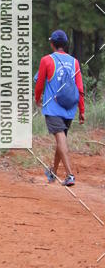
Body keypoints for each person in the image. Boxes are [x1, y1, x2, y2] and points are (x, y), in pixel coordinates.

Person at [34, 29, 84, 186]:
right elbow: (80, 88)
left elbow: (40, 83)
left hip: (53, 107)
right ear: (65, 44)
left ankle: (69, 175)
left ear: (52, 44)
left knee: (60, 138)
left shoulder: (46, 60)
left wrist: (37, 99)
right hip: (69, 107)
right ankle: (53, 172)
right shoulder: (74, 61)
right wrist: (82, 111)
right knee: (60, 139)